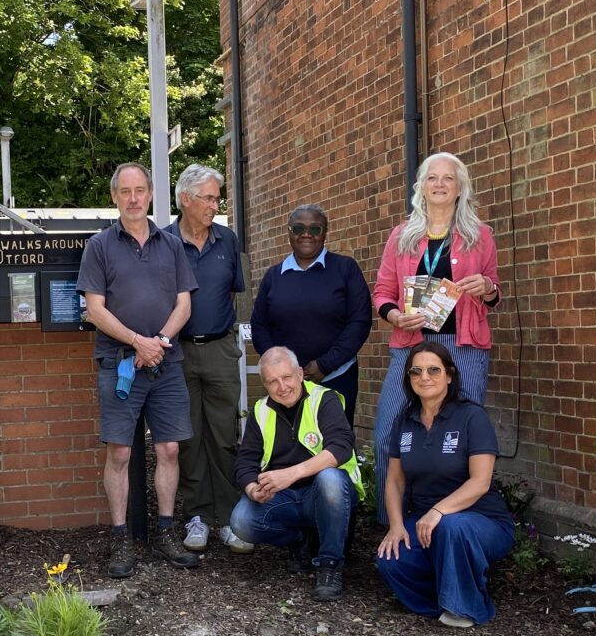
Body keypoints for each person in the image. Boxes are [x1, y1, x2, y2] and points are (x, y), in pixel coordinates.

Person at [77, 161, 198, 578]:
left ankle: (165, 532)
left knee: (168, 448)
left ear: (150, 195)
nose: (133, 198)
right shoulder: (99, 246)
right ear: (114, 196)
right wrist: (137, 342)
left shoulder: (172, 245)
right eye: (125, 191)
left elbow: (184, 303)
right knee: (121, 452)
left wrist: (159, 342)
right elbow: (95, 310)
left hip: (166, 363)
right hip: (120, 363)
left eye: (140, 190)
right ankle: (120, 538)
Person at [371, 152, 501, 523]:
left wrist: (487, 286)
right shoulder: (401, 236)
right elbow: (382, 291)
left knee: (461, 443)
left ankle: (452, 523)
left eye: (448, 178)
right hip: (411, 349)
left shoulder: (480, 236)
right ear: (421, 187)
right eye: (432, 178)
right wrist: (395, 314)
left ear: (460, 188)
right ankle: (391, 525)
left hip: (464, 350)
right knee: (386, 437)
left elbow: (494, 294)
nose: (440, 184)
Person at [375, 341, 514, 627]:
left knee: (452, 525)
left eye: (433, 370)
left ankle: (466, 608)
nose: (424, 377)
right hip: (427, 523)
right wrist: (397, 526)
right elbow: (395, 481)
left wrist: (439, 511)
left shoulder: (471, 416)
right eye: (416, 371)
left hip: (481, 521)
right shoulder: (406, 419)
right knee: (391, 559)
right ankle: (441, 600)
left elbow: (480, 482)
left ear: (449, 375)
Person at [165, 163, 253, 556]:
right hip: (178, 352)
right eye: (210, 198)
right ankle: (197, 516)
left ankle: (230, 517)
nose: (216, 205)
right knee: (188, 436)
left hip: (219, 349)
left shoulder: (228, 240)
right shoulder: (163, 241)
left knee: (225, 434)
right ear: (185, 199)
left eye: (218, 197)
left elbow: (232, 294)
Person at [230, 348, 361, 602]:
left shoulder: (325, 399)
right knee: (241, 521)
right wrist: (251, 489)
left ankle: (329, 566)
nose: (282, 387)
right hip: (284, 498)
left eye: (287, 377)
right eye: (272, 381)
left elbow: (342, 446)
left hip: (325, 496)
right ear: (264, 384)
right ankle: (299, 541)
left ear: (300, 374)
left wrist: (291, 474)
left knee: (330, 479)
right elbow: (245, 461)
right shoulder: (260, 410)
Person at [249, 204, 372, 423]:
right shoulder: (274, 276)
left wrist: (325, 365)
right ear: (289, 231)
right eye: (298, 228)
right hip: (285, 383)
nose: (306, 234)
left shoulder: (345, 269)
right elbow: (260, 325)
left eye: (315, 229)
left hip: (336, 376)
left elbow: (359, 322)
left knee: (334, 444)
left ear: (325, 232)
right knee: (288, 444)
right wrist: (283, 369)